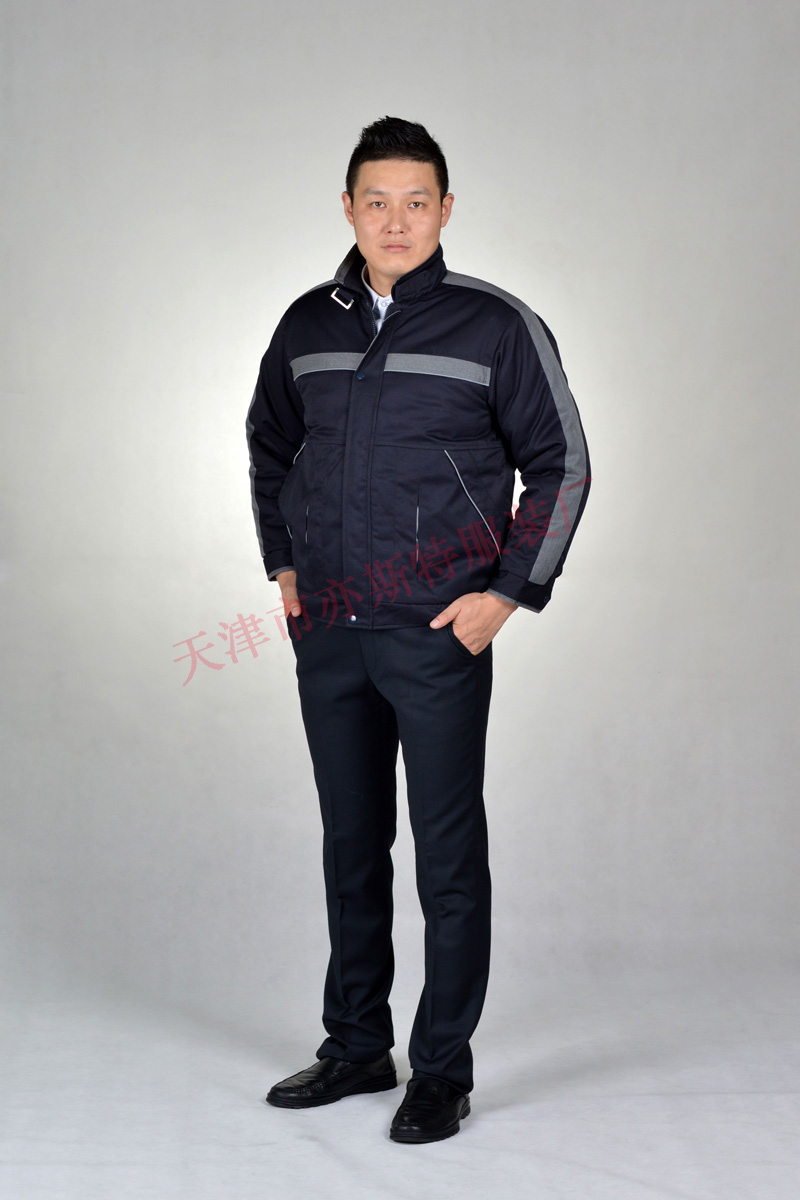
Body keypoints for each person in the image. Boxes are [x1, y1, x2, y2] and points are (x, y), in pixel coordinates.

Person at [245, 116, 590, 1143]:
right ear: (348, 208)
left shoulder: (495, 326)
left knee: (445, 855)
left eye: (416, 201)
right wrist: (284, 565)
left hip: (437, 630)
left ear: (444, 210)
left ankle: (440, 1070)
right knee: (352, 844)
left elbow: (561, 466)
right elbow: (268, 446)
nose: (395, 220)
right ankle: (357, 1044)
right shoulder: (306, 323)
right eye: (376, 201)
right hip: (330, 631)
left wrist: (507, 595)